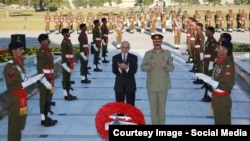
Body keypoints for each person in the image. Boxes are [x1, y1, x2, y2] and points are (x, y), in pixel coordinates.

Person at [4, 41, 43, 141]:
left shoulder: (19, 63)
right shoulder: (10, 66)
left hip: (20, 97)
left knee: (19, 125)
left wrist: (31, 80)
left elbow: (21, 79)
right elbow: (12, 86)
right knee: (14, 127)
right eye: (20, 49)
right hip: (15, 99)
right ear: (13, 51)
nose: (23, 51)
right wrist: (28, 82)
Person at [196, 40, 235, 124]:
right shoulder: (220, 61)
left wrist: (210, 81)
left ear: (225, 50)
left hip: (222, 100)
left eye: (219, 48)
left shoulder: (228, 65)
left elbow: (227, 86)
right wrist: (208, 80)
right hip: (217, 97)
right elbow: (216, 77)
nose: (216, 49)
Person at [141, 34, 175, 124]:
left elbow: (172, 67)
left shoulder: (167, 53)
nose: (157, 44)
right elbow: (142, 67)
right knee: (153, 108)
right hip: (152, 85)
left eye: (159, 42)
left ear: (161, 42)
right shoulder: (148, 54)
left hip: (163, 85)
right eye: (155, 42)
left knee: (162, 108)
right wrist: (149, 66)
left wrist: (165, 66)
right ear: (153, 42)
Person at [36, 34, 58, 126]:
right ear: (42, 41)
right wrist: (44, 80)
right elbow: (39, 68)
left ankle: (47, 116)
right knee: (44, 99)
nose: (48, 41)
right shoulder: (41, 52)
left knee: (48, 98)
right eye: (46, 39)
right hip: (44, 78)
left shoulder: (47, 50)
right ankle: (43, 119)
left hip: (50, 77)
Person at [112, 41, 138, 109]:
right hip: (119, 86)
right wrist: (120, 69)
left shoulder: (134, 57)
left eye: (127, 48)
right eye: (123, 47)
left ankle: (130, 119)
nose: (125, 49)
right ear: (120, 47)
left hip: (130, 86)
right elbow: (114, 70)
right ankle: (120, 119)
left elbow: (134, 70)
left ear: (129, 48)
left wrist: (127, 68)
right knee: (119, 108)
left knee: (131, 108)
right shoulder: (115, 57)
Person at [201, 26, 217, 102]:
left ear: (211, 32)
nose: (205, 32)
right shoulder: (208, 40)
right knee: (206, 80)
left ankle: (210, 96)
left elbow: (213, 54)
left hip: (210, 63)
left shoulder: (213, 42)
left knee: (210, 80)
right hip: (206, 62)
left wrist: (211, 63)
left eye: (207, 31)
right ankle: (206, 94)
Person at [61, 28, 77, 101]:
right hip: (66, 63)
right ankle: (65, 95)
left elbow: (70, 53)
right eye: (68, 32)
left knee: (68, 79)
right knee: (65, 79)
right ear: (64, 34)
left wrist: (72, 61)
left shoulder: (68, 41)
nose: (69, 33)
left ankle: (68, 93)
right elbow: (64, 54)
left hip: (69, 62)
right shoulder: (64, 42)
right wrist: (64, 65)